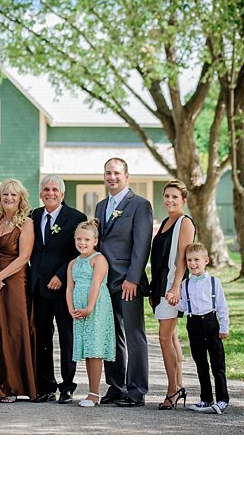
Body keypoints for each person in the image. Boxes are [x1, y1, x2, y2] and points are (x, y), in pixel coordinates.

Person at [94, 157, 153, 407]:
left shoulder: (140, 205)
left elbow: (142, 244)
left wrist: (133, 278)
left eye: (117, 173)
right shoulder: (100, 206)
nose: (112, 177)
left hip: (128, 282)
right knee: (111, 335)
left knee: (134, 335)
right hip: (105, 281)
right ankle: (116, 387)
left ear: (126, 176)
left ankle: (136, 390)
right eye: (108, 173)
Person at [28, 174, 86, 403]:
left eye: (54, 190)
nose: (50, 193)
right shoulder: (33, 216)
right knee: (42, 338)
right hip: (38, 287)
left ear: (62, 193)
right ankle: (46, 385)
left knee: (66, 338)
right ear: (40, 193)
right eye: (46, 189)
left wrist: (61, 275)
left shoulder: (76, 218)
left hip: (64, 289)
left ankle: (68, 386)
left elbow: (78, 251)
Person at [0, 179, 38, 402]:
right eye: (5, 194)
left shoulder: (26, 223)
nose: (9, 198)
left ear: (20, 198)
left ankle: (15, 386)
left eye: (13, 195)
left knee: (14, 330)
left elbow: (24, 257)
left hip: (15, 283)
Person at [150, 180, 195, 410]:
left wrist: (176, 287)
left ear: (183, 200)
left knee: (164, 338)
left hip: (172, 286)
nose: (169, 200)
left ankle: (171, 391)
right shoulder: (165, 222)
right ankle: (179, 386)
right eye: (167, 196)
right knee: (173, 338)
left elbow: (182, 259)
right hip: (159, 285)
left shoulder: (184, 222)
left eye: (175, 197)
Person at [178, 243, 231, 414]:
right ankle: (206, 399)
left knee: (217, 363)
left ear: (206, 261)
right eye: (189, 260)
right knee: (201, 364)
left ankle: (222, 400)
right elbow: (184, 306)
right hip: (193, 324)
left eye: (196, 260)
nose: (192, 264)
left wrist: (224, 327)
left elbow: (222, 307)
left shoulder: (215, 282)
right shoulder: (185, 284)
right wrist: (173, 301)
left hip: (211, 323)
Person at [66, 220, 115, 407]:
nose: (82, 243)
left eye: (87, 239)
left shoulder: (98, 259)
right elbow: (70, 287)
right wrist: (70, 307)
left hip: (96, 306)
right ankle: (91, 392)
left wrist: (89, 307)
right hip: (79, 309)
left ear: (95, 241)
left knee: (94, 349)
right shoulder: (73, 263)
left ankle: (94, 394)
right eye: (79, 239)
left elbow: (96, 284)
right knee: (87, 349)